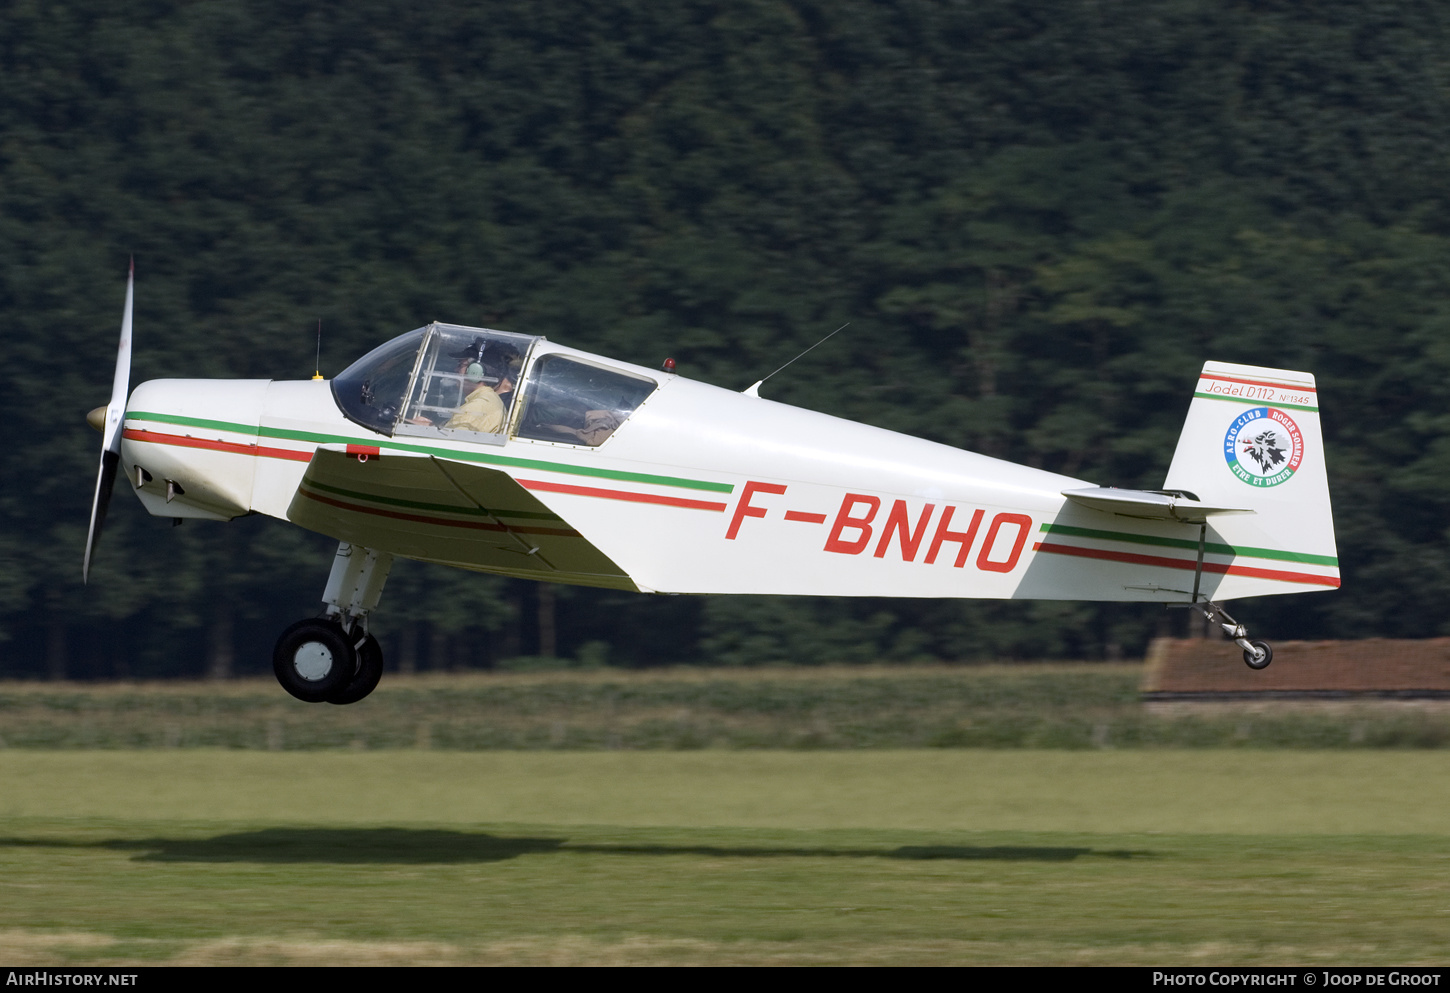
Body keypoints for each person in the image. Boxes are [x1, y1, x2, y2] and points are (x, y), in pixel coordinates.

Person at [444, 357, 515, 434]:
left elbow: (450, 441)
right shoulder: (489, 400)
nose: (456, 369)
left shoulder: (474, 408)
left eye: (461, 365)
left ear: (474, 372)